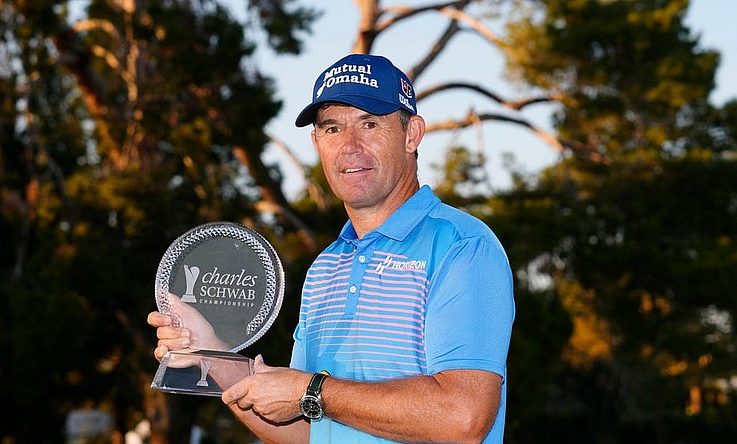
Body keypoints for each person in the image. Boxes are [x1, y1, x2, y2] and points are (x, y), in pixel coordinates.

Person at [148, 53, 515, 443]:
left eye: (370, 124)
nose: (350, 146)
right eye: (332, 128)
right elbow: (303, 430)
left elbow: (463, 417)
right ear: (316, 142)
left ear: (412, 135)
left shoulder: (463, 246)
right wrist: (211, 353)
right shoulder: (326, 266)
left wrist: (311, 390)